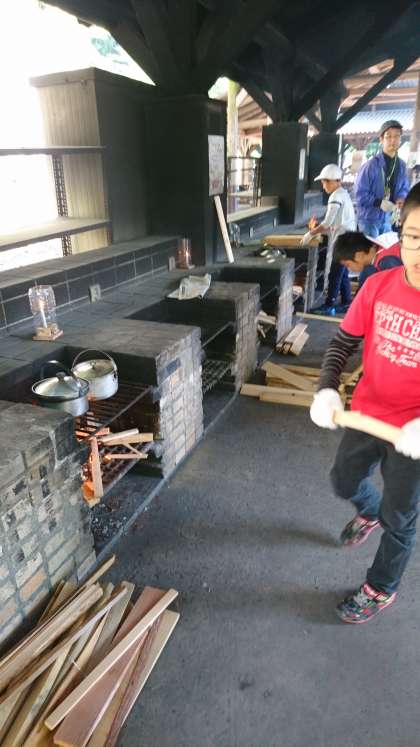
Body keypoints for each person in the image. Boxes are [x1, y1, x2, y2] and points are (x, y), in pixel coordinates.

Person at [309, 182, 420, 624]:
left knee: (401, 517)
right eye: (414, 236)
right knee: (343, 480)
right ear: (401, 233)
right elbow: (342, 343)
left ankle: (382, 586)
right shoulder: (377, 286)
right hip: (368, 416)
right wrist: (327, 387)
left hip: (412, 438)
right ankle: (368, 511)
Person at [301, 164, 356, 316]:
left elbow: (327, 222)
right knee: (343, 273)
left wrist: (310, 233)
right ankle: (346, 302)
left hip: (343, 241)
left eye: (325, 182)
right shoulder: (343, 194)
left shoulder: (336, 197)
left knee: (335, 274)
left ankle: (329, 305)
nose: (324, 185)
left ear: (335, 181)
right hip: (349, 238)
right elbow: (334, 221)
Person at [354, 120, 409, 237]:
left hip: (389, 219)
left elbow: (404, 187)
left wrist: (401, 198)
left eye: (397, 136)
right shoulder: (370, 166)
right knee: (370, 249)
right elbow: (359, 195)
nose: (393, 140)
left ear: (400, 139)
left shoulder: (402, 165)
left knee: (386, 248)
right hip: (369, 220)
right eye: (388, 136)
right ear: (381, 139)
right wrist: (379, 202)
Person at [333, 230, 402, 289]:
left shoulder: (386, 262)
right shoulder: (381, 243)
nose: (349, 269)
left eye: (347, 265)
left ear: (359, 256)